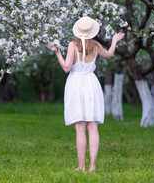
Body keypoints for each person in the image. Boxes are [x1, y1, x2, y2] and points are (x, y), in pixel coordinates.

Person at [48, 16, 125, 172]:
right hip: (91, 84)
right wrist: (115, 40)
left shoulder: (72, 45)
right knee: (93, 126)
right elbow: (109, 54)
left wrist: (57, 52)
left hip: (76, 85)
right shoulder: (96, 46)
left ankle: (81, 166)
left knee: (80, 128)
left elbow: (66, 68)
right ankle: (92, 166)